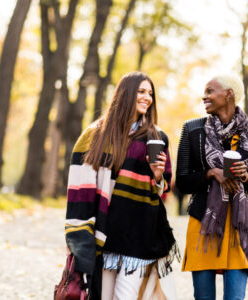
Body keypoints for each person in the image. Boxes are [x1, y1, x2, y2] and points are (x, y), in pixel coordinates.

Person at [64, 71, 179, 300]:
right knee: (101, 296)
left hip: (139, 235)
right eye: (141, 91)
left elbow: (163, 186)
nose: (147, 97)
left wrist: (157, 176)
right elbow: (79, 183)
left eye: (150, 93)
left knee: (125, 297)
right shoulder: (97, 135)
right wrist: (80, 235)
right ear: (126, 94)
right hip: (105, 233)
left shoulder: (157, 137)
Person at [176, 74, 248, 300]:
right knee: (204, 297)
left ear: (229, 94)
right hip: (203, 225)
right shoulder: (192, 129)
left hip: (240, 227)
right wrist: (210, 173)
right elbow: (182, 182)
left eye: (210, 91)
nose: (204, 96)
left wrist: (246, 177)